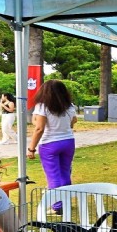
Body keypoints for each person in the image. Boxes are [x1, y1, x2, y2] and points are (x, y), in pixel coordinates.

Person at [27, 79, 77, 215]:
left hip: (49, 144)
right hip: (68, 142)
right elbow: (73, 122)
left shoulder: (42, 106)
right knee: (65, 173)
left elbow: (39, 128)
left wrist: (31, 148)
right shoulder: (70, 106)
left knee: (53, 176)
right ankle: (65, 203)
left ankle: (57, 207)